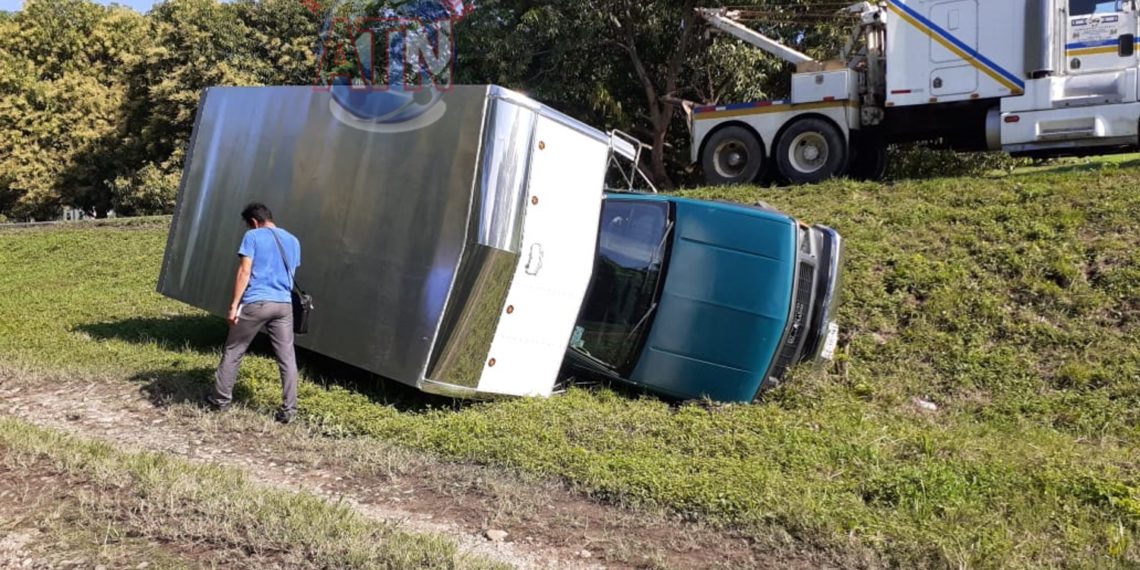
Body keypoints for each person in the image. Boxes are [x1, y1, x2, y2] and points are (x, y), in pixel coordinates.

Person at [206, 203, 302, 424]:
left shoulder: (253, 236)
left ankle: (220, 400)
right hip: (284, 304)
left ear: (253, 222)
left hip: (257, 302)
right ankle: (290, 410)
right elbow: (290, 272)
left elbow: (245, 271)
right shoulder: (293, 240)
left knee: (234, 350)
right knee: (287, 357)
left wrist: (234, 305)